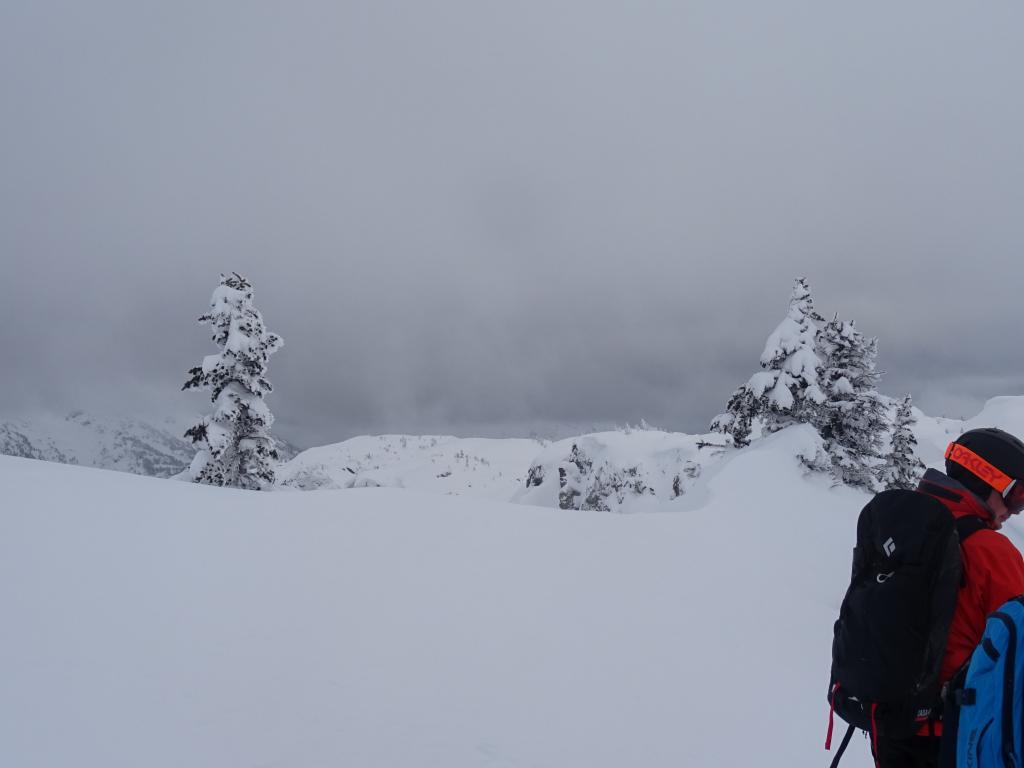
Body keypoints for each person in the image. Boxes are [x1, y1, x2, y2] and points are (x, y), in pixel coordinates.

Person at [877, 427, 1024, 767]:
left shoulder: (900, 526)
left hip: (888, 723)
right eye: (1016, 496)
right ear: (986, 478)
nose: (1016, 512)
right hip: (957, 732)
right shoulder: (991, 550)